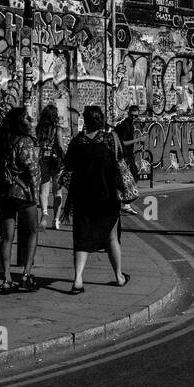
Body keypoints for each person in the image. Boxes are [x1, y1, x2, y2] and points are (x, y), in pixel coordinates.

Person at [58, 105, 128, 293]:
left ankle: (78, 280)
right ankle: (119, 276)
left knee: (81, 238)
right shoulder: (110, 139)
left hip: (82, 198)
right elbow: (121, 163)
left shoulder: (77, 142)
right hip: (107, 197)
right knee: (112, 237)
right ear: (101, 119)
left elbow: (68, 168)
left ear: (86, 121)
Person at [0, 106, 42, 293]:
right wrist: (37, 197)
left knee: (7, 237)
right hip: (23, 193)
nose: (31, 121)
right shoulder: (25, 142)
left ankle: (6, 279)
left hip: (4, 192)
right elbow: (32, 170)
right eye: (28, 118)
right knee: (33, 231)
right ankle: (26, 275)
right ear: (21, 122)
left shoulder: (1, 141)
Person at [36, 103, 66, 229]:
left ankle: (44, 213)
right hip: (57, 161)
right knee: (57, 191)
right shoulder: (57, 129)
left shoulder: (39, 129)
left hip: (44, 160)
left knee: (44, 189)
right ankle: (56, 220)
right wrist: (65, 156)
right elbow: (60, 145)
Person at [113, 104, 141, 216]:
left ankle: (125, 204)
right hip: (125, 156)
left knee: (128, 180)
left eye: (136, 116)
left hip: (127, 155)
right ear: (129, 114)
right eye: (132, 115)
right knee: (131, 179)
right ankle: (125, 204)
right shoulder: (125, 125)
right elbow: (123, 142)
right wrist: (138, 139)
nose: (134, 118)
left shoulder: (128, 124)